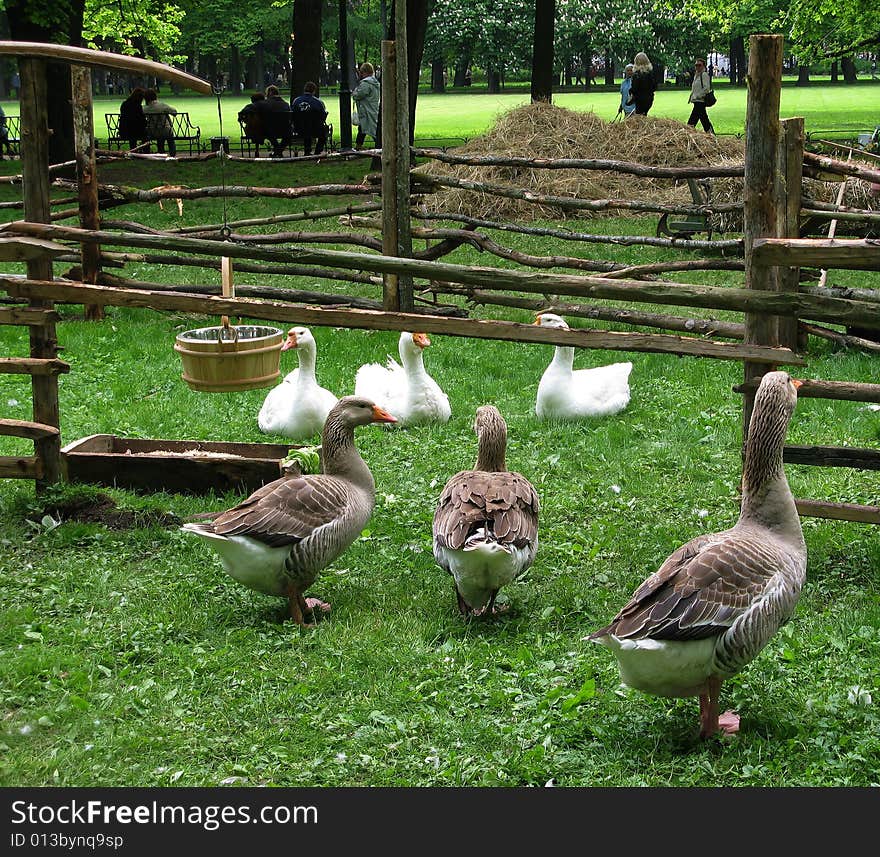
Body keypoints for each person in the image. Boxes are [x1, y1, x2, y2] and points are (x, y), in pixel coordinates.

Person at [291, 81, 328, 156]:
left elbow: (292, 114)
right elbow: (323, 116)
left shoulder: (296, 101)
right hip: (315, 129)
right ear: (314, 91)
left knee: (306, 127)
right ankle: (317, 151)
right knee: (324, 132)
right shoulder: (318, 102)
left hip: (299, 128)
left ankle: (307, 151)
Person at [352, 62, 380, 149]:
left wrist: (354, 92)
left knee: (370, 129)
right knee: (363, 129)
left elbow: (358, 95)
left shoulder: (366, 83)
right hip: (372, 108)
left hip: (366, 110)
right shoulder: (374, 82)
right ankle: (358, 146)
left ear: (364, 72)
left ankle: (380, 146)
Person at [142, 87, 178, 155]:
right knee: (168, 134)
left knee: (156, 133)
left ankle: (159, 151)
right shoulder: (162, 105)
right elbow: (174, 112)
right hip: (165, 130)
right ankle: (172, 152)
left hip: (152, 131)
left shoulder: (144, 108)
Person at [687, 58, 715, 135]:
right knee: (704, 120)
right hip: (696, 101)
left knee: (692, 122)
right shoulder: (696, 76)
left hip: (700, 101)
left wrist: (698, 96)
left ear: (703, 66)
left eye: (699, 65)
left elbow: (706, 88)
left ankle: (687, 134)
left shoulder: (704, 75)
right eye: (696, 65)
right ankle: (712, 135)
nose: (697, 67)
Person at [263, 84, 293, 157]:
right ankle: (279, 151)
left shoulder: (266, 104)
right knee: (288, 134)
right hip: (285, 130)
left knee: (266, 130)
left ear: (268, 94)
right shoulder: (286, 104)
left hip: (270, 130)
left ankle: (277, 151)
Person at [238, 91, 268, 157]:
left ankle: (257, 149)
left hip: (252, 131)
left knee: (254, 126)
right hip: (267, 131)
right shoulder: (268, 106)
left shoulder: (250, 106)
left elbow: (241, 115)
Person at [118, 87, 147, 152]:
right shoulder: (138, 106)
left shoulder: (124, 104)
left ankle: (134, 150)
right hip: (135, 131)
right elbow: (141, 120)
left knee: (133, 131)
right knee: (144, 133)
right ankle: (145, 150)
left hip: (124, 130)